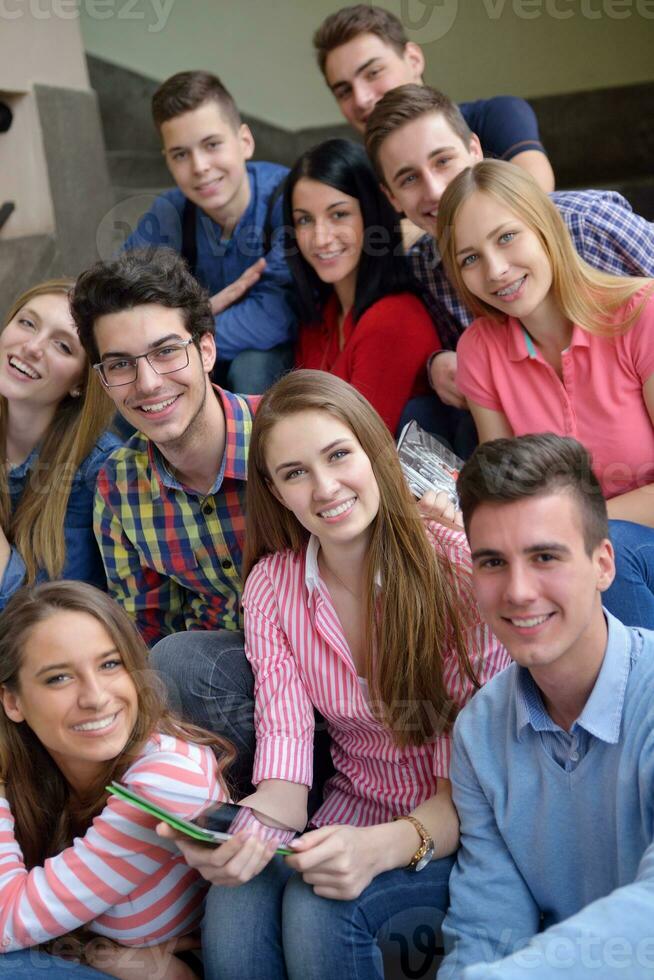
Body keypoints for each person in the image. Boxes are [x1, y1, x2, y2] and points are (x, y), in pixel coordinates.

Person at [158, 370, 509, 980]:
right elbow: (287, 763)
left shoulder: (457, 569)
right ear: (275, 490)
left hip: (459, 832)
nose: (325, 488)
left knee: (316, 909)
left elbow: (484, 781)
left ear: (373, 451)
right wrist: (242, 834)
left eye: (338, 455)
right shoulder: (272, 585)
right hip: (346, 814)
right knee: (235, 900)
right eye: (295, 473)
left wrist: (383, 846)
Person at [438, 434, 654, 980]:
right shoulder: (479, 732)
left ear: (603, 564)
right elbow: (488, 926)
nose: (518, 591)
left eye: (545, 557)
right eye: (492, 562)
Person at [364, 84, 654, 453]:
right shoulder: (424, 268)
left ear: (474, 150)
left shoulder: (589, 221)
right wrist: (436, 363)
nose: (435, 190)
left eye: (442, 160)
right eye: (408, 178)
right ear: (392, 198)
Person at [435, 158, 654, 627]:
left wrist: (566, 528)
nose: (495, 270)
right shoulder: (479, 350)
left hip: (627, 548)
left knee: (603, 558)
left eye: (507, 237)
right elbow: (505, 491)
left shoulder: (641, 313)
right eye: (470, 258)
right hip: (563, 555)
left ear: (545, 228)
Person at [71, 250, 258, 794]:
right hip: (228, 700)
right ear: (104, 379)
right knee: (170, 661)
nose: (148, 383)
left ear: (205, 350)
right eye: (121, 364)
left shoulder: (289, 433)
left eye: (166, 352)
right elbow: (147, 627)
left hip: (338, 680)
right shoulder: (119, 486)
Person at [0, 580, 233, 979]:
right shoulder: (35, 776)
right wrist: (103, 954)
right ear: (13, 702)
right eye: (59, 678)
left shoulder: (166, 777)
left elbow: (6, 921)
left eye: (110, 664)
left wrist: (101, 955)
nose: (95, 696)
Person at [122, 71, 296, 394]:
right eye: (181, 154)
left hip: (269, 352)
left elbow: (276, 314)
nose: (199, 166)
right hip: (191, 351)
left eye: (212, 144)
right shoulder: (170, 212)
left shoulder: (287, 199)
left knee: (252, 369)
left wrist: (186, 327)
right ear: (168, 162)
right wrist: (194, 322)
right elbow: (124, 296)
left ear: (244, 141)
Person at [313, 4, 554, 192]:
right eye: (344, 91)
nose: (361, 99)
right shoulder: (353, 174)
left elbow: (535, 194)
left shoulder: (495, 115)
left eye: (373, 72)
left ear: (414, 59)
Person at [286, 138, 439, 433]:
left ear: (372, 215)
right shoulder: (321, 315)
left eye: (339, 214)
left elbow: (357, 443)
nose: (320, 238)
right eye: (304, 220)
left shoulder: (394, 318)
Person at [0, 280, 119, 611]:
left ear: (80, 383)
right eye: (27, 323)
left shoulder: (96, 468)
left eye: (63, 346)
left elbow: (48, 615)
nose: (32, 347)